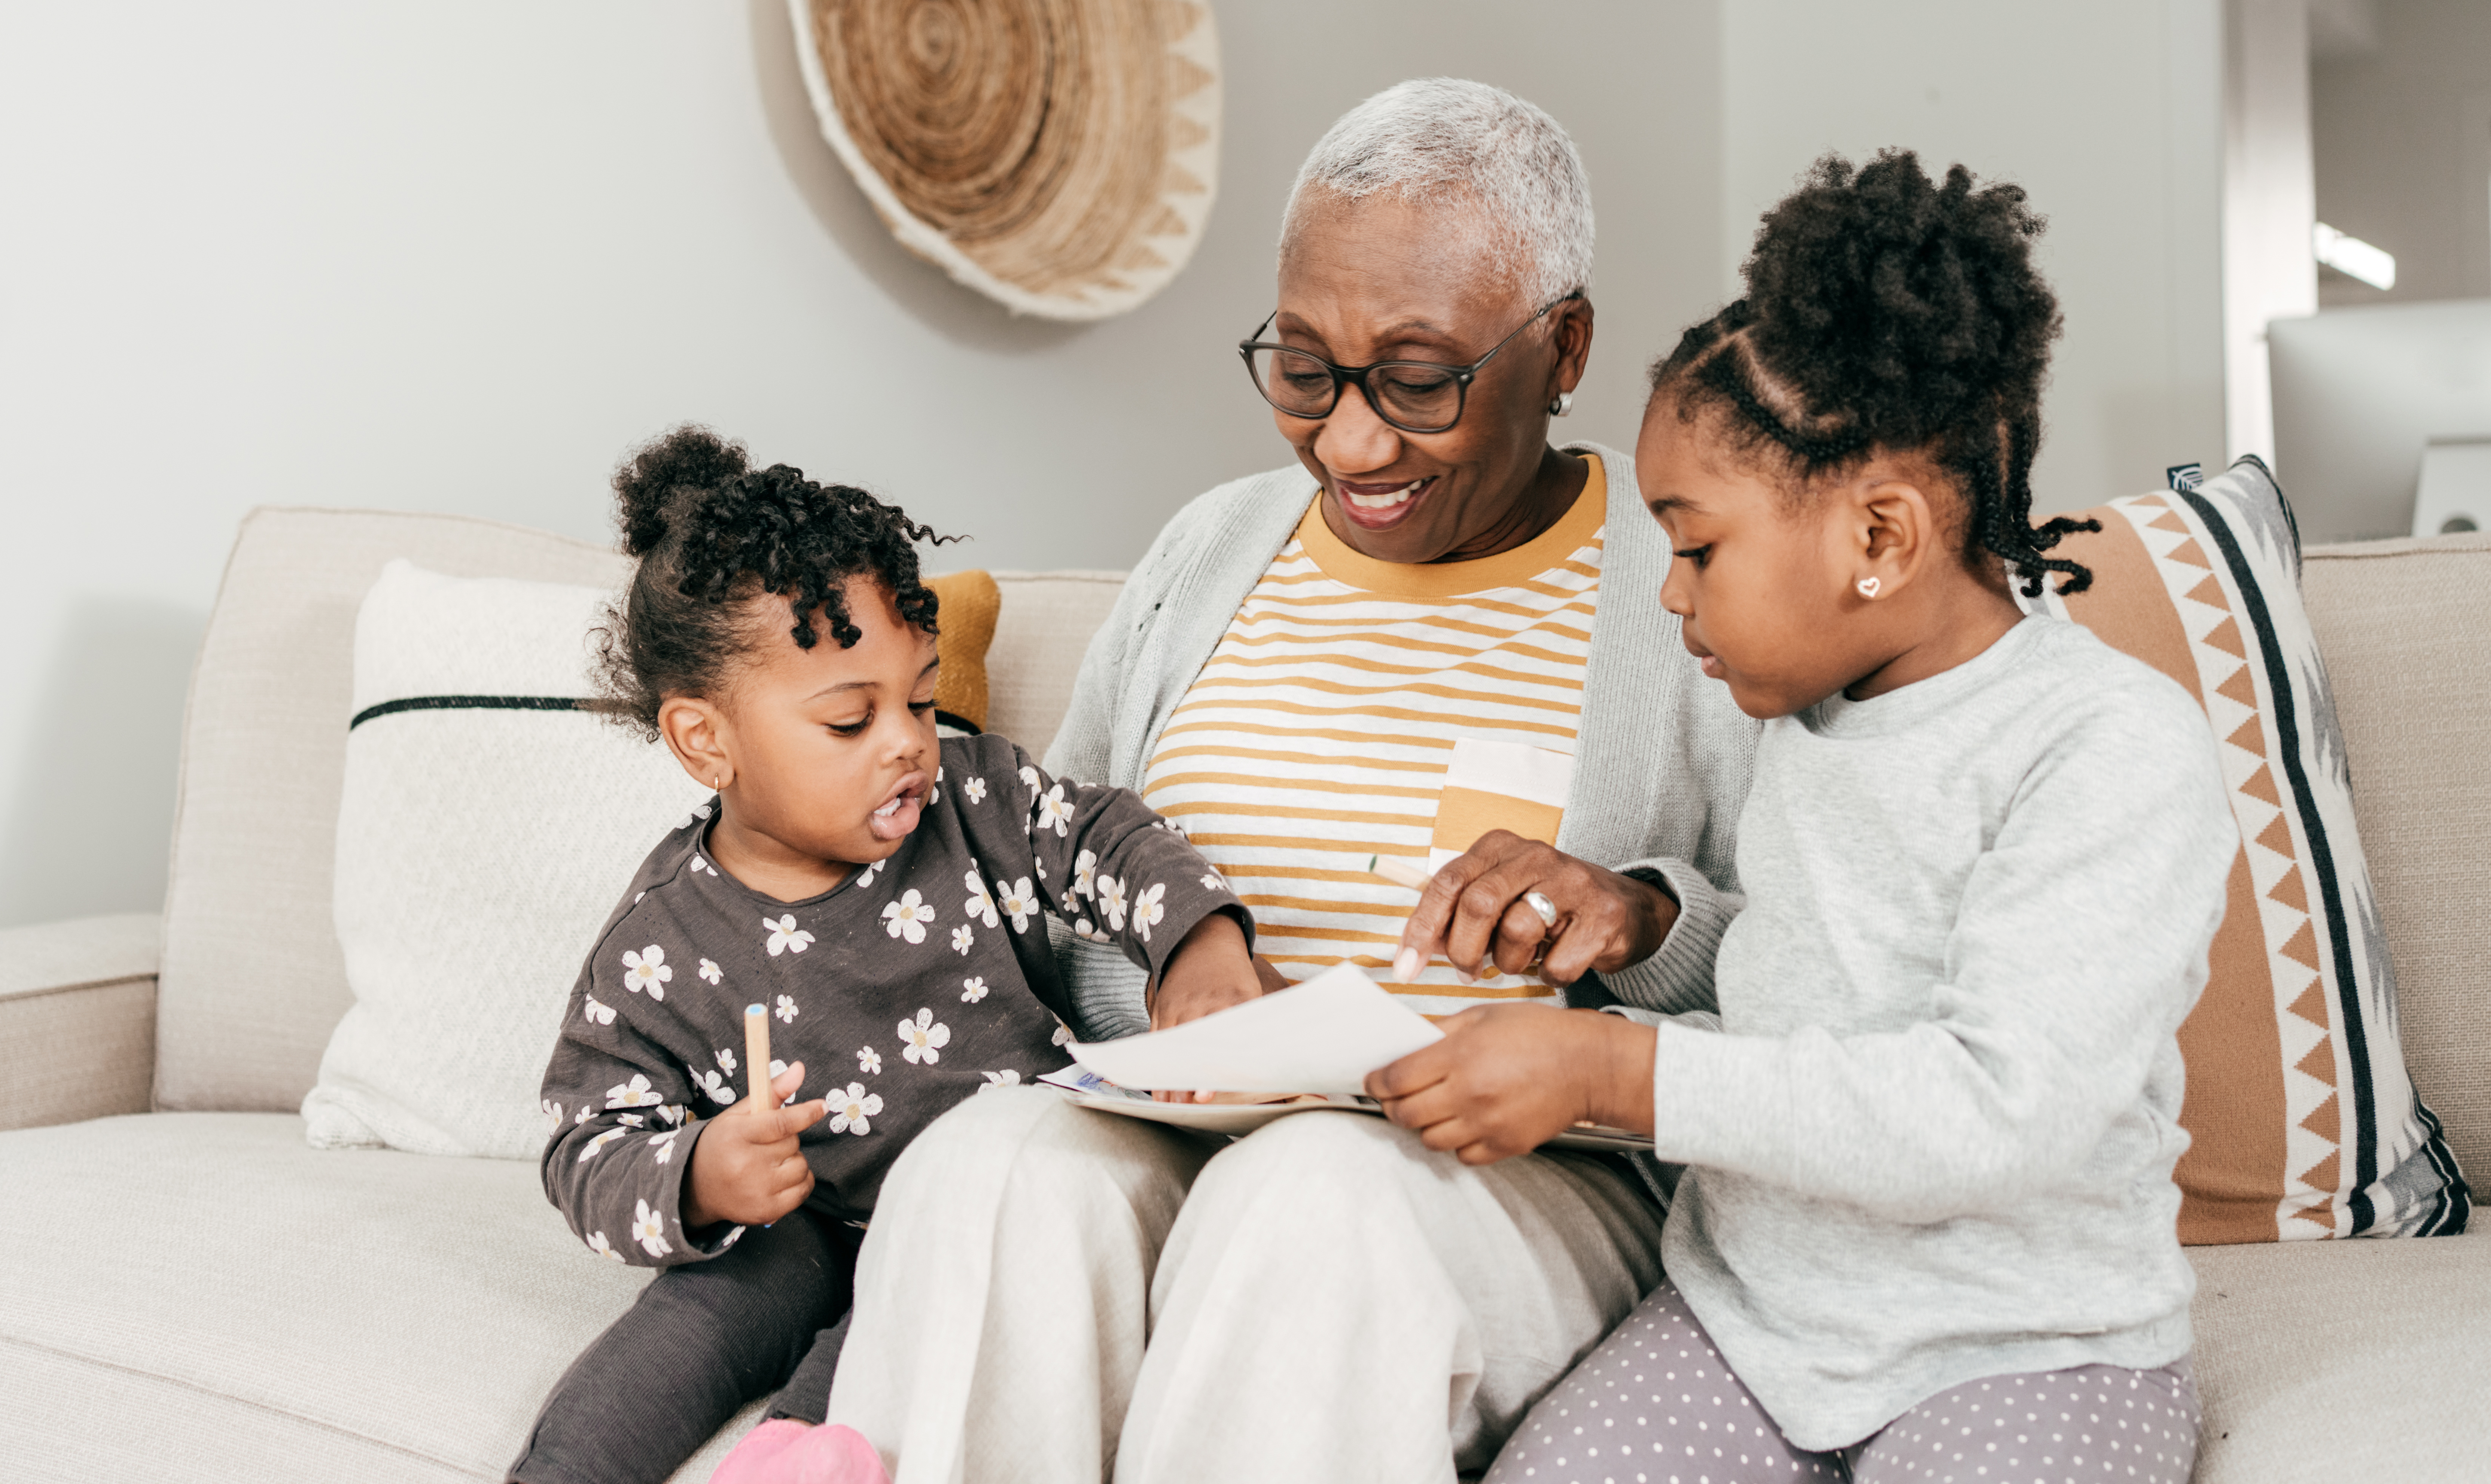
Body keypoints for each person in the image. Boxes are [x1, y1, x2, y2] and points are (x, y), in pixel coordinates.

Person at [824, 80, 1760, 1482]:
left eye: (1420, 378)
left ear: (1562, 347)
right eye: (1305, 369)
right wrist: (1161, 966)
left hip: (1522, 1178)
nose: (1350, 441)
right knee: (986, 1168)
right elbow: (1041, 863)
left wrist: (1636, 915)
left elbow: (1830, 964)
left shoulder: (1691, 570)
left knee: (1310, 1195)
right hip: (1167, 1121)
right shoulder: (1209, 549)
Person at [1473, 150, 2233, 1484]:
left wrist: (1618, 1078)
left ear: (1880, 539)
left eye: (1697, 547)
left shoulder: (2108, 745)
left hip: (2024, 1350)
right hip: (1752, 1328)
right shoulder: (1800, 717)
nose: (1671, 596)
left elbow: (1994, 1109)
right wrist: (1646, 922)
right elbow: (1807, 974)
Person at [509, 428, 1262, 1484]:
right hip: (800, 1226)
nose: (909, 742)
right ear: (705, 742)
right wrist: (699, 1175)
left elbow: (1107, 838)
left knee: (879, 1363)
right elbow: (584, 1141)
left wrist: (1197, 945)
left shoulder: (976, 799)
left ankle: (803, 1458)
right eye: (852, 719)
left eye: (919, 698)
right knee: (682, 1335)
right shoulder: (660, 946)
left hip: (976, 1220)